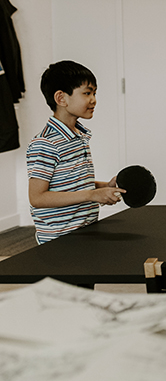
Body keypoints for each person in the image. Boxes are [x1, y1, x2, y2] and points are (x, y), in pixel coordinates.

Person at [26, 61, 124, 244]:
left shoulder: (79, 136)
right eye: (87, 93)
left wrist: (104, 186)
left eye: (95, 93)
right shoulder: (45, 143)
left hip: (85, 230)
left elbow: (71, 184)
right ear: (61, 98)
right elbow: (37, 197)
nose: (93, 99)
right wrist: (91, 195)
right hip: (59, 239)